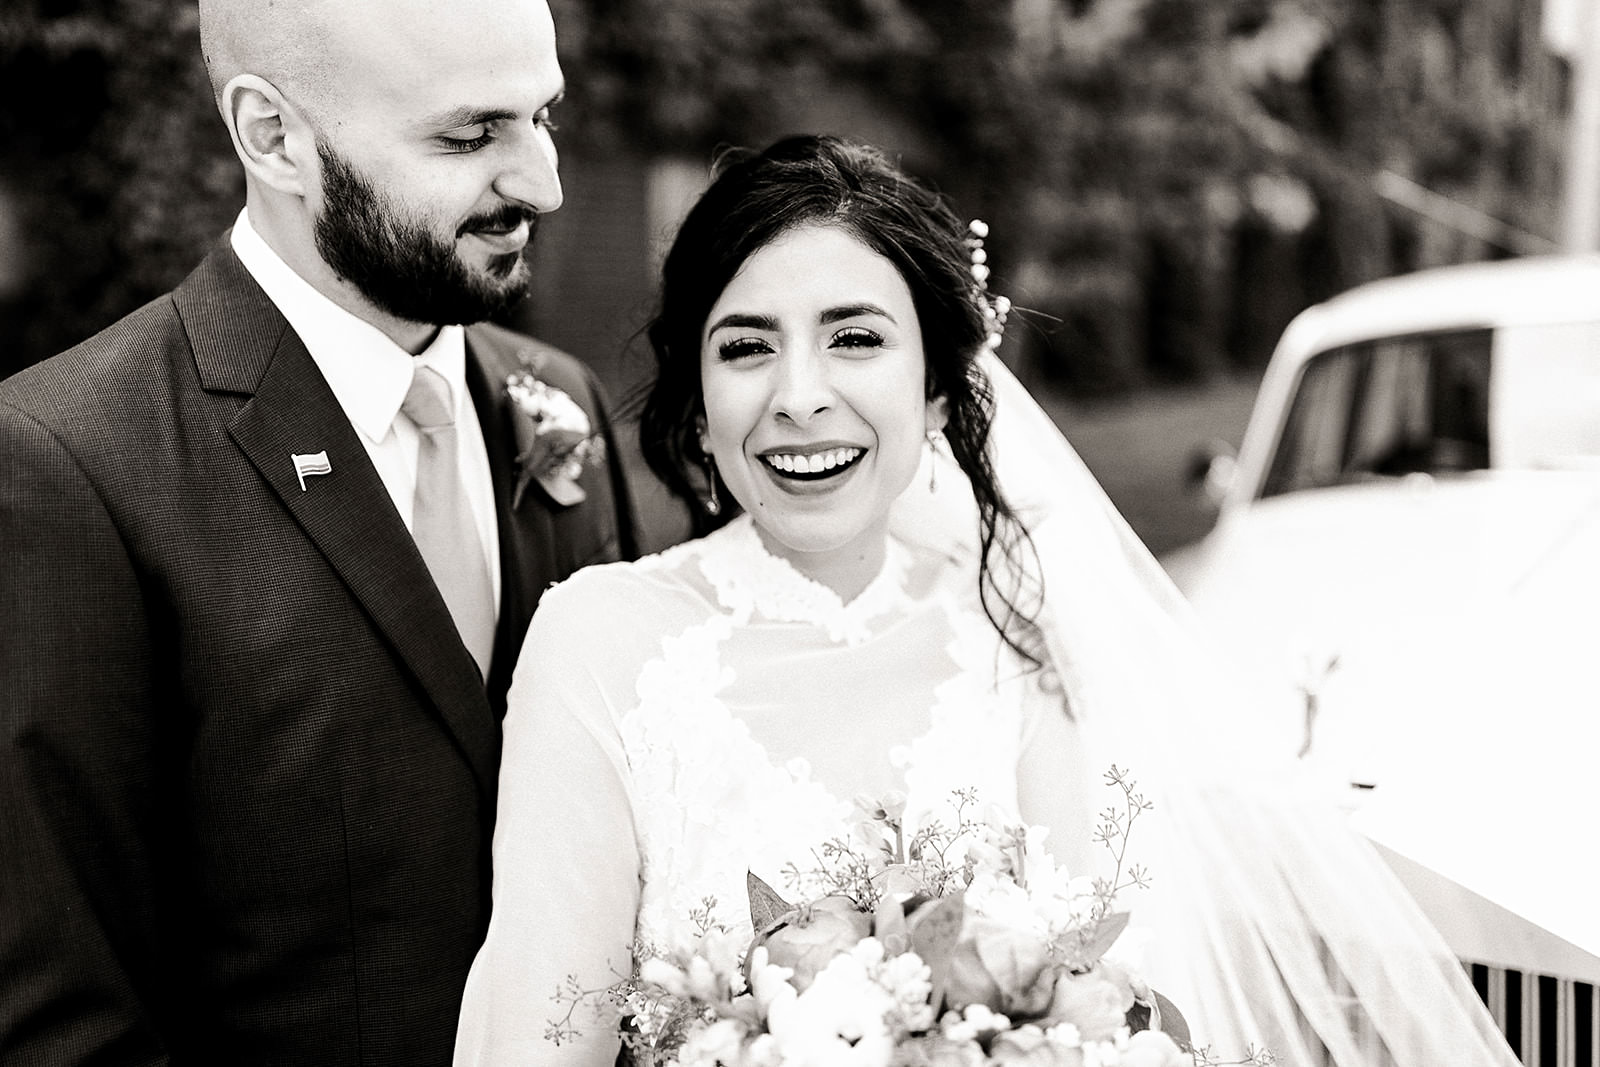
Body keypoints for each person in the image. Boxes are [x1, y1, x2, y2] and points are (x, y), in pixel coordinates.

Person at [454, 136, 1519, 1066]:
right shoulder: (601, 642)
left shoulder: (1012, 634)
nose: (799, 395)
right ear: (696, 397)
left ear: (936, 381)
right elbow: (538, 1040)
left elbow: (1115, 1000)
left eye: (855, 336)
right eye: (745, 347)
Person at [0, 0, 636, 1062]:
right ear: (272, 136)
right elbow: (61, 1017)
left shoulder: (558, 403)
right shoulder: (64, 466)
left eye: (543, 116)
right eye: (471, 134)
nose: (543, 182)